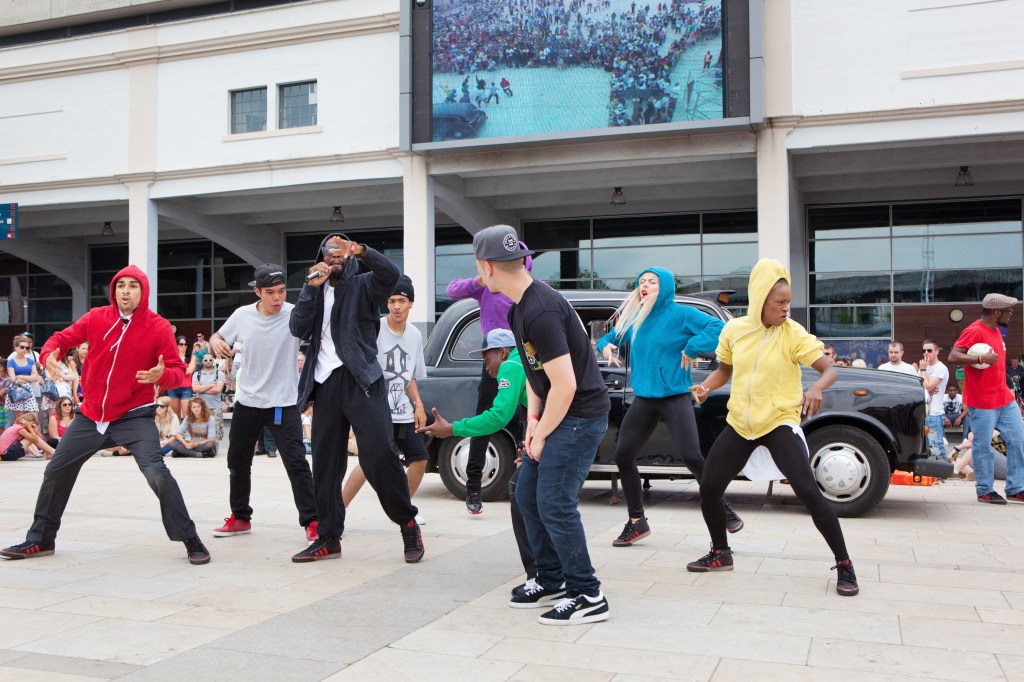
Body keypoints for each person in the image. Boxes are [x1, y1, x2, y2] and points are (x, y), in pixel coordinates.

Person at [0, 265, 210, 565]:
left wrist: (163, 375)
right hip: (90, 417)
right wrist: (48, 356)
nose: (125, 290)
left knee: (157, 473)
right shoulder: (97, 317)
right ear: (114, 290)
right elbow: (60, 338)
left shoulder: (159, 327)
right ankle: (41, 540)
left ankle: (190, 538)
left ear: (143, 291)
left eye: (133, 286)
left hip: (134, 416)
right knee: (56, 470)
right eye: (120, 285)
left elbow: (177, 371)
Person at [685, 258, 858, 597]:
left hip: (778, 421)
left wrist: (817, 387)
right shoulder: (735, 330)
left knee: (809, 492)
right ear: (761, 298)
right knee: (709, 487)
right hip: (741, 423)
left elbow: (829, 369)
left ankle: (844, 564)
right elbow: (724, 370)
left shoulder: (793, 334)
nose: (785, 308)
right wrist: (706, 386)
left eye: (788, 302)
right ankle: (720, 552)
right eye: (779, 302)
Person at [474, 224, 611, 625]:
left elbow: (566, 386)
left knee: (554, 501)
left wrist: (544, 432)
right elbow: (539, 378)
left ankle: (588, 593)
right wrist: (532, 425)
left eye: (478, 269)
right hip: (556, 415)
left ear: (487, 267)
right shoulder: (519, 308)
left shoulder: (542, 310)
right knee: (526, 491)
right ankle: (550, 578)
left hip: (579, 418)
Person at [290, 234, 422, 563]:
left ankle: (407, 522)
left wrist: (364, 251)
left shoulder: (363, 285)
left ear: (349, 255)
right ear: (320, 257)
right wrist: (310, 287)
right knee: (324, 465)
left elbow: (391, 275)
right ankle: (329, 537)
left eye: (341, 252)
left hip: (362, 380)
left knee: (378, 455)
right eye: (328, 252)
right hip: (325, 384)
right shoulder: (315, 288)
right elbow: (297, 327)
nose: (335, 257)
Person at [595, 267, 737, 547]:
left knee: (692, 456)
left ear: (666, 287)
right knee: (623, 455)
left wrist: (693, 346)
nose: (645, 285)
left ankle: (723, 507)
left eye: (652, 281)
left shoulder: (680, 313)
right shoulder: (635, 316)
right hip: (645, 398)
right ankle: (637, 521)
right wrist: (606, 347)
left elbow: (719, 328)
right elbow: (610, 337)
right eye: (642, 282)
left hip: (675, 396)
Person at [208, 264, 318, 541]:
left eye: (281, 291)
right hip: (248, 401)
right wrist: (215, 341)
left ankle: (312, 521)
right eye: (270, 292)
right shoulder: (241, 315)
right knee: (237, 461)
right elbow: (218, 336)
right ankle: (241, 517)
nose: (277, 298)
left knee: (296, 463)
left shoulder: (295, 314)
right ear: (258, 292)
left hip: (283, 402)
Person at [418, 328, 535, 587]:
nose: (486, 366)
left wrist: (453, 429)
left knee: (525, 495)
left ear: (502, 352)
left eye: (486, 358)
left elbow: (498, 417)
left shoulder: (511, 366)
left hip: (567, 431)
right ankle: (547, 573)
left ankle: (542, 575)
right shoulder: (525, 358)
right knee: (532, 496)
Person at [446, 245, 534, 514]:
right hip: (495, 362)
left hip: (524, 361)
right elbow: (452, 290)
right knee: (484, 423)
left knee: (528, 421)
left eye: (518, 258)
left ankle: (526, 481)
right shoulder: (488, 285)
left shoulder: (530, 289)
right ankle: (474, 486)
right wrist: (478, 280)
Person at [341, 275, 429, 525]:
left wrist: (418, 405)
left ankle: (405, 510)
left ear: (411, 303)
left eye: (401, 300)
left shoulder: (414, 335)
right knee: (370, 464)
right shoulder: (375, 329)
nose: (396, 306)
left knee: (420, 459)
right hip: (377, 411)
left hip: (403, 411)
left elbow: (410, 376)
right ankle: (338, 509)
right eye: (391, 301)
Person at [947, 293, 1024, 504]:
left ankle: (1016, 488)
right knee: (982, 446)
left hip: (1003, 398)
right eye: (1009, 312)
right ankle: (984, 490)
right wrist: (980, 358)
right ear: (997, 312)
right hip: (982, 401)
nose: (1011, 315)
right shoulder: (973, 331)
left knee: (1018, 440)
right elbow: (953, 356)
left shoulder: (997, 331)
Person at [919, 339, 949, 458]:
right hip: (922, 412)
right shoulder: (923, 368)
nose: (926, 353)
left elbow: (928, 385)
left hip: (934, 413)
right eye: (924, 350)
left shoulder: (940, 368)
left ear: (937, 351)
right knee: (924, 447)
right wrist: (926, 387)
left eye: (929, 350)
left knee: (936, 445)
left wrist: (923, 371)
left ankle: (942, 472)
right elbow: (918, 386)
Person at [6, 335, 41, 421]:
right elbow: (13, 379)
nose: (25, 349)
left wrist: (21, 377)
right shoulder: (11, 361)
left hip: (29, 390)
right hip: (16, 391)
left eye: (27, 348)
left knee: (34, 416)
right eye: (22, 347)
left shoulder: (30, 360)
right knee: (20, 418)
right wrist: (29, 378)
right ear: (16, 347)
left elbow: (36, 377)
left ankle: (36, 434)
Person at [192, 353, 225, 441]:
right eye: (206, 360)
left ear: (213, 361)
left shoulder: (219, 373)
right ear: (202, 362)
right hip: (201, 409)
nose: (208, 362)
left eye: (210, 360)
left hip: (216, 408)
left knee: (217, 433)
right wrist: (210, 385)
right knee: (202, 433)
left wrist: (202, 388)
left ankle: (214, 450)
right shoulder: (197, 374)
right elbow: (195, 389)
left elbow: (218, 389)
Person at [167, 335, 197, 419]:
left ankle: (191, 433)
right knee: (175, 416)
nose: (183, 346)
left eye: (185, 344)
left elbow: (189, 371)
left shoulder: (192, 357)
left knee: (187, 415)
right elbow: (170, 371)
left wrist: (177, 370)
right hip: (173, 388)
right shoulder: (172, 357)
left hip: (186, 388)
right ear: (176, 345)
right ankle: (178, 432)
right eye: (181, 344)